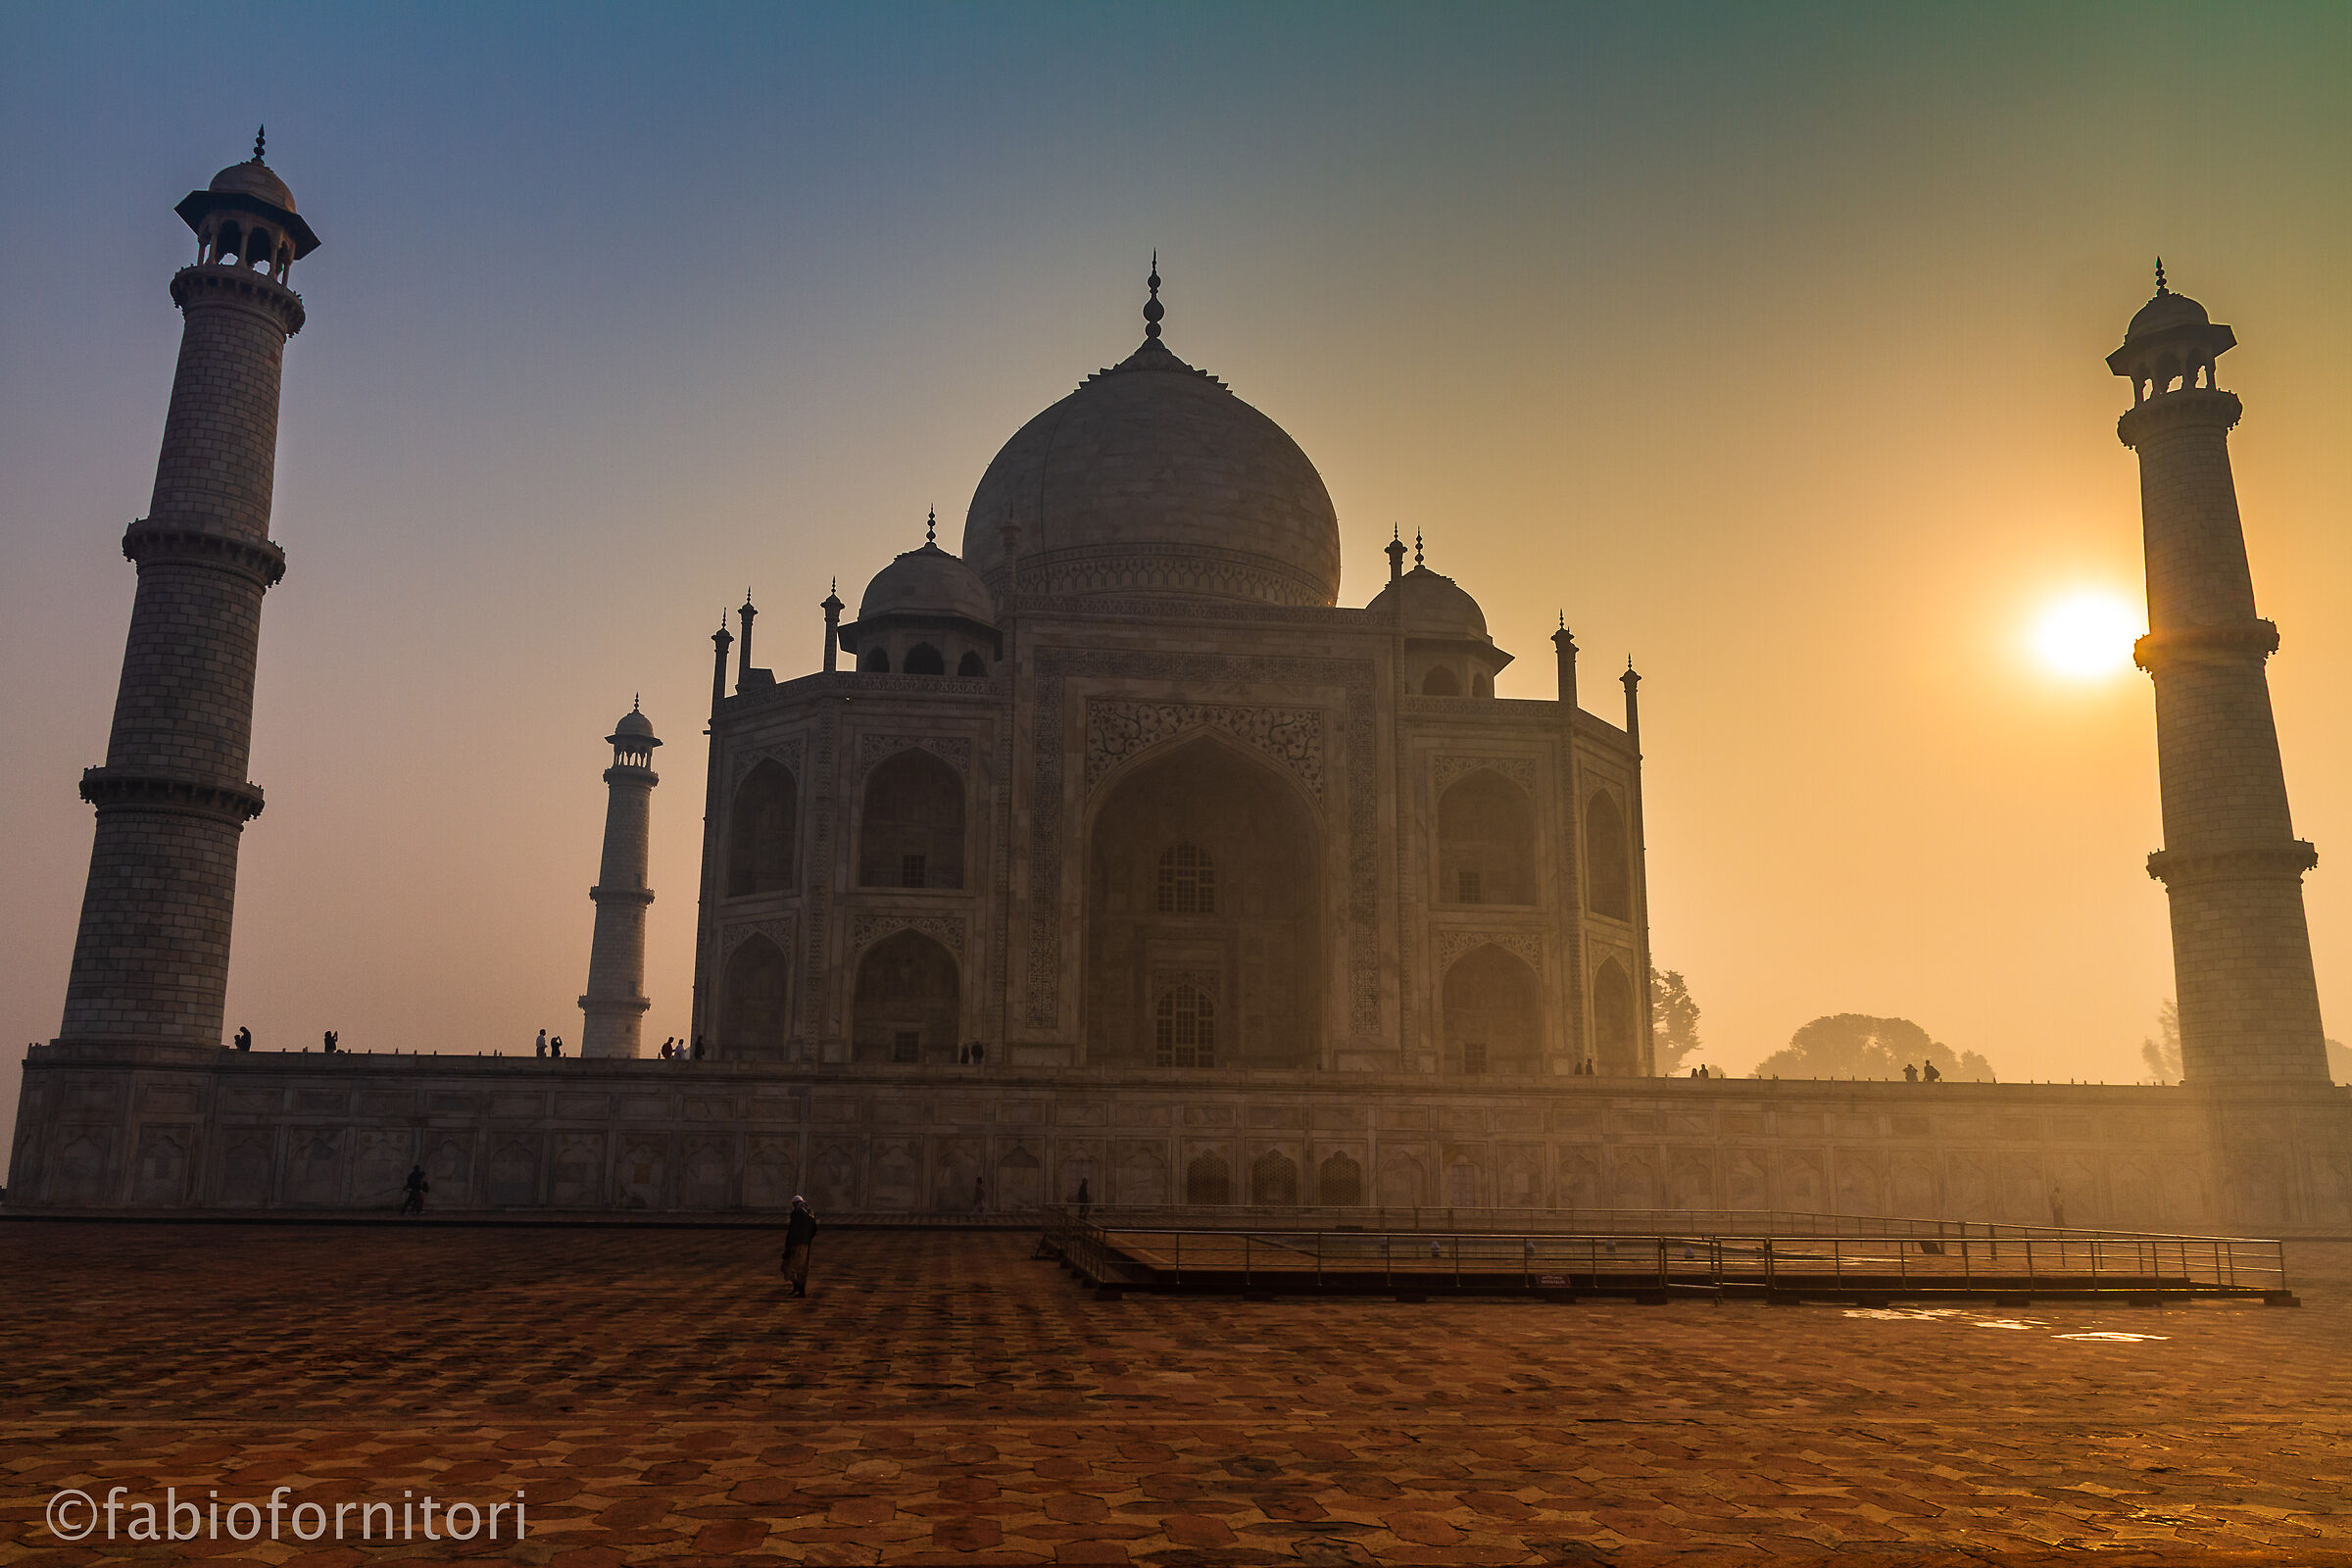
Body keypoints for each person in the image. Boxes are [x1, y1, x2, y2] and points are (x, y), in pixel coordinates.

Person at [781, 1197, 817, 1297]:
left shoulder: (796, 1213)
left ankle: (798, 1287)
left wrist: (788, 1248)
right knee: (802, 1267)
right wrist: (808, 1238)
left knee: (788, 1267)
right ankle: (801, 1290)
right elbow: (814, 1228)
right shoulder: (809, 1212)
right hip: (806, 1243)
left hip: (797, 1244)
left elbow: (792, 1231)